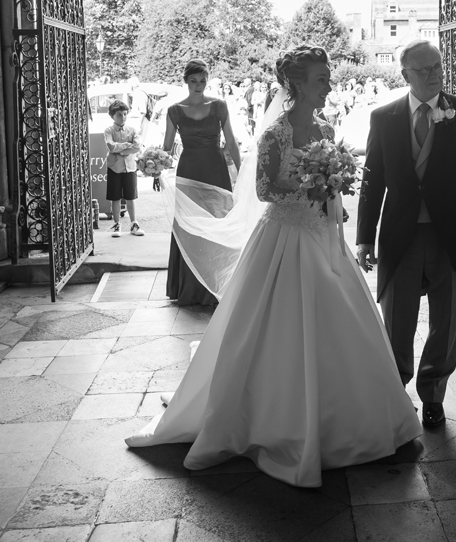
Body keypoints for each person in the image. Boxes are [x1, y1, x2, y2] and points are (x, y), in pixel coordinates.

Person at [126, 45, 421, 487]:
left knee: (343, 320)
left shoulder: (324, 125)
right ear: (298, 84)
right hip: (284, 239)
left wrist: (332, 186)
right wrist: (312, 187)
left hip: (324, 237)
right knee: (274, 326)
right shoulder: (275, 134)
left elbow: (331, 180)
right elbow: (264, 189)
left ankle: (355, 416)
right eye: (322, 79)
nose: (329, 86)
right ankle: (272, 420)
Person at [357, 39, 456, 428]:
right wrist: (364, 236)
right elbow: (373, 180)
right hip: (400, 234)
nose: (434, 74)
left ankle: (433, 393)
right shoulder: (383, 117)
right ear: (405, 75)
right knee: (397, 317)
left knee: (446, 319)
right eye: (424, 70)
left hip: (447, 233)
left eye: (437, 67)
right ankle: (396, 392)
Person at [163, 59, 242, 307]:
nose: (198, 85)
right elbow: (166, 148)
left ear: (207, 80)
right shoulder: (174, 110)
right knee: (188, 225)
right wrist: (155, 165)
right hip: (189, 170)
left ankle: (219, 284)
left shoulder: (219, 106)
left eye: (203, 81)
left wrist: (240, 173)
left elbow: (231, 141)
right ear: (185, 81)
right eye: (193, 81)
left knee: (218, 221)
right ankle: (190, 288)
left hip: (215, 168)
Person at [103, 99, 145, 238]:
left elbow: (137, 146)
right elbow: (111, 146)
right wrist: (127, 145)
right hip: (114, 168)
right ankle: (116, 224)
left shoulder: (132, 130)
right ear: (112, 116)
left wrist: (121, 150)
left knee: (130, 197)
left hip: (130, 168)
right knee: (115, 197)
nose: (123, 117)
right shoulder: (108, 130)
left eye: (125, 114)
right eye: (119, 115)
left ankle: (134, 223)